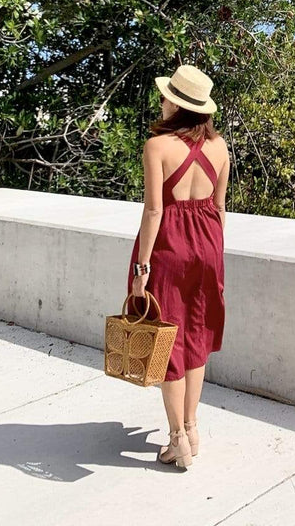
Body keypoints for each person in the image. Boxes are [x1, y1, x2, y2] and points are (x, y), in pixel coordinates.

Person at [126, 64, 229, 471]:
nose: (162, 100)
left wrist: (141, 268)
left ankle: (177, 441)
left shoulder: (157, 146)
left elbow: (154, 210)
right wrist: (212, 255)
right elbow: (219, 210)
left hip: (168, 246)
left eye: (167, 95)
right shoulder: (221, 148)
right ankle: (193, 428)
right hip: (207, 247)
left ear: (178, 104)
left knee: (166, 339)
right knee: (197, 337)